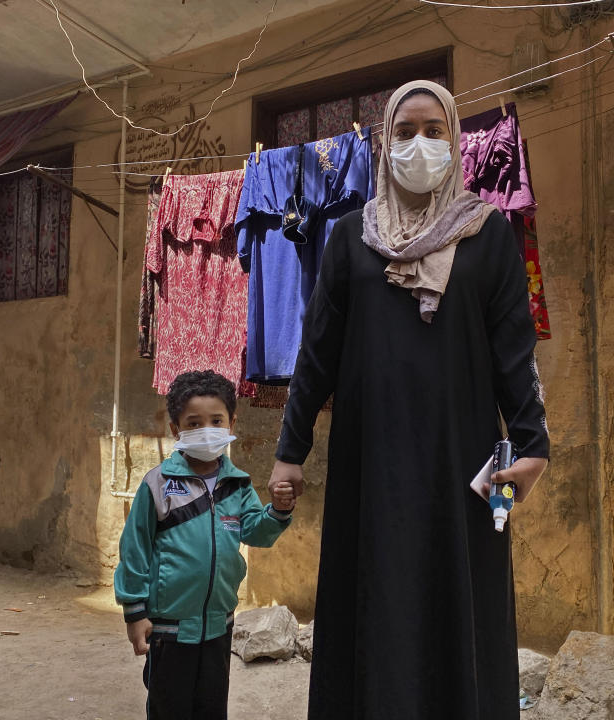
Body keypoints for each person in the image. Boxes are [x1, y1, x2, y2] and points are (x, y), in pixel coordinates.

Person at [268, 80, 550, 719]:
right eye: (404, 132)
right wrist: (290, 452)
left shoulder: (490, 235)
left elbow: (515, 354)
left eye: (433, 131)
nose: (418, 144)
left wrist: (533, 446)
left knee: (464, 595)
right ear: (383, 142)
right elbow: (317, 355)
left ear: (454, 139)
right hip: (372, 462)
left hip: (467, 460)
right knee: (375, 594)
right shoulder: (349, 238)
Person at [115, 370, 296, 720]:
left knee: (211, 706)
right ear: (175, 430)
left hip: (219, 624)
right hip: (169, 628)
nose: (206, 430)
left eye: (216, 420)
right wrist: (135, 613)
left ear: (231, 424)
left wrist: (279, 510)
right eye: (193, 423)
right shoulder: (157, 485)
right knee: (170, 706)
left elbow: (256, 532)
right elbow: (134, 548)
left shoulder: (238, 485)